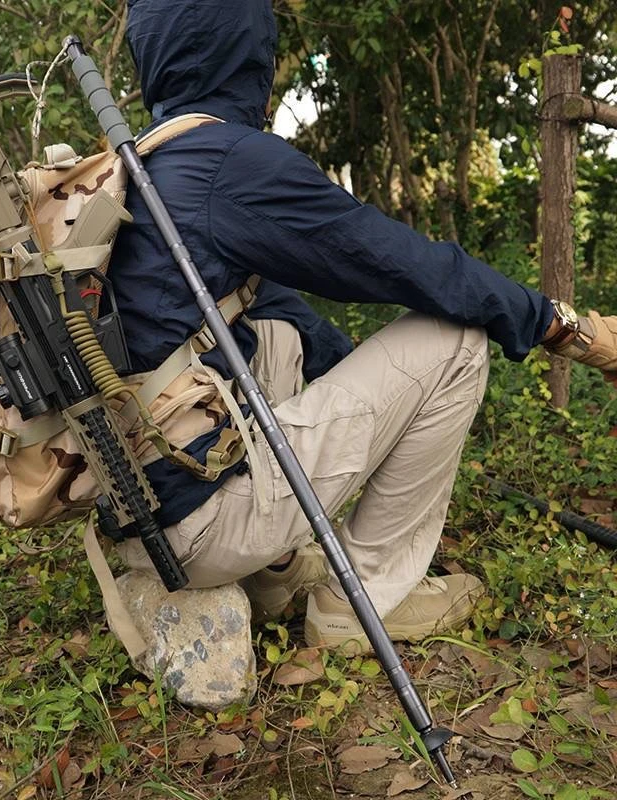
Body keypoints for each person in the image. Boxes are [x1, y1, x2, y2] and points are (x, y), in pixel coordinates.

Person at [107, 0, 617, 654]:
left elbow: (305, 336)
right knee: (454, 340)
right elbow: (412, 266)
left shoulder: (137, 173)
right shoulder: (226, 162)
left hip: (141, 523)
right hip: (201, 526)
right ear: (246, 50)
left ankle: (274, 570)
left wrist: (398, 425)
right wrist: (565, 327)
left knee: (277, 332)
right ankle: (359, 603)